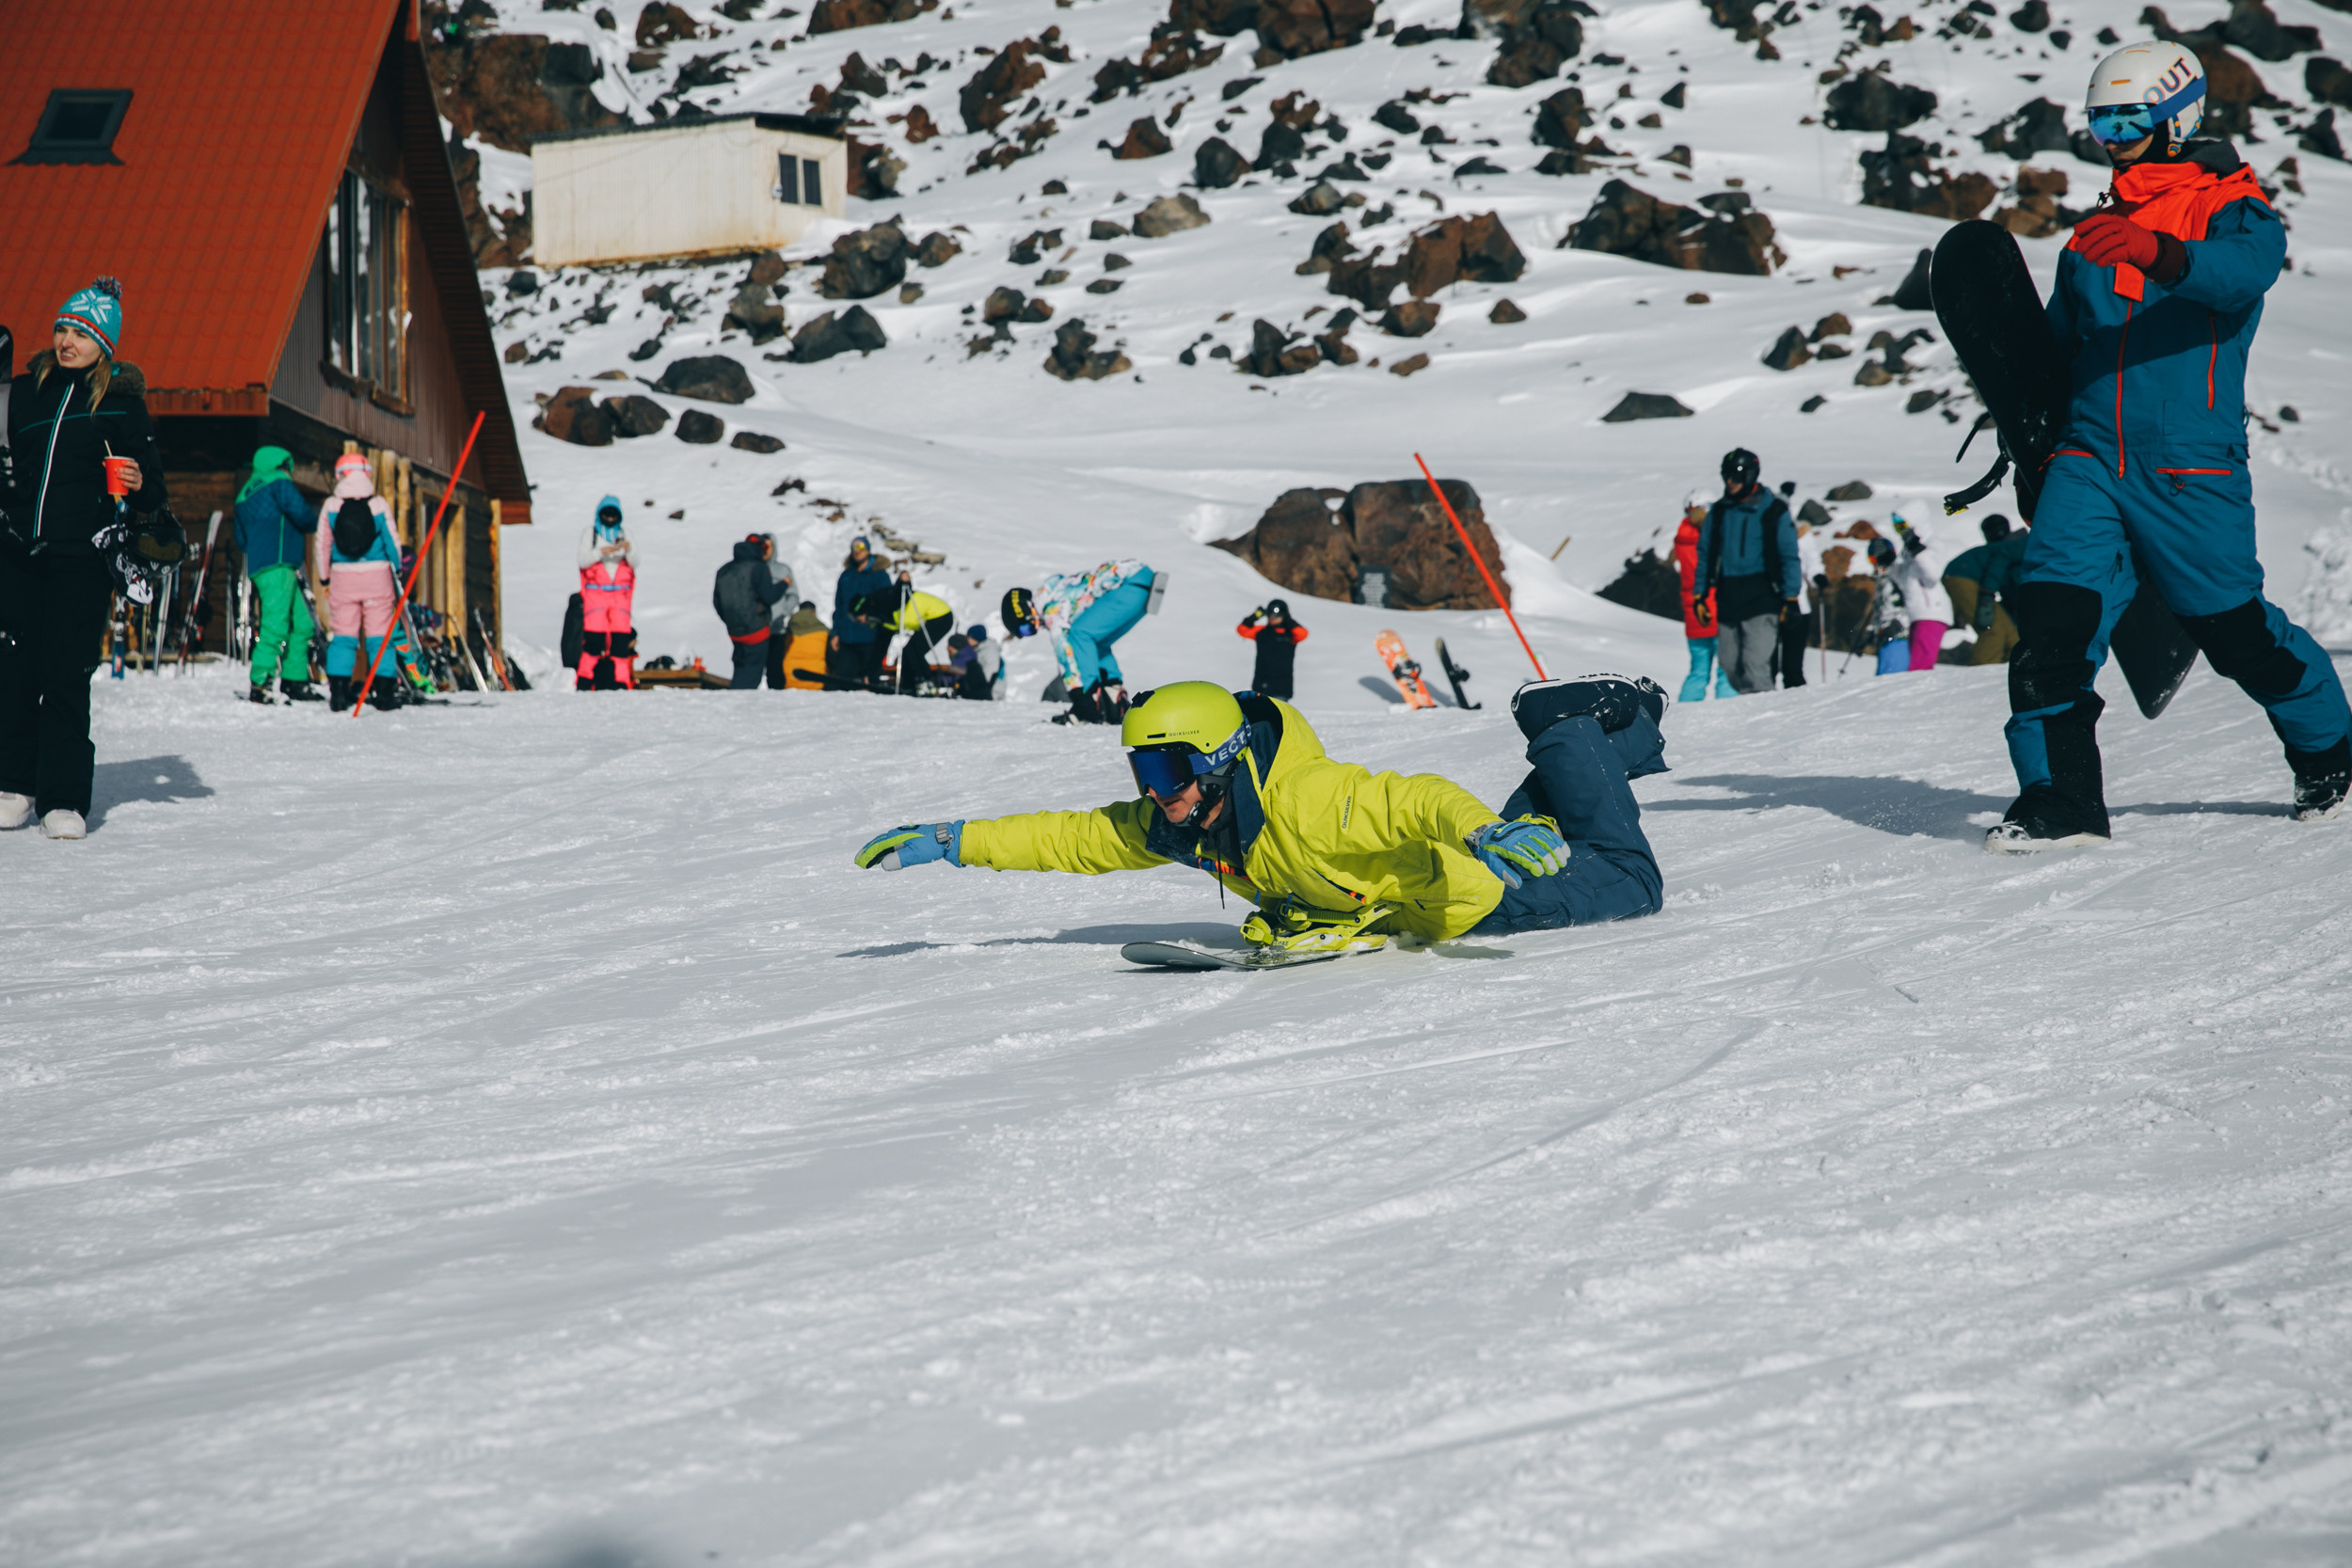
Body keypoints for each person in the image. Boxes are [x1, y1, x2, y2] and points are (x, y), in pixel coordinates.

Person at [1992, 40, 2351, 847]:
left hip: (2189, 466)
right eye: (2099, 121)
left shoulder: (2234, 208)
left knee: (2238, 635)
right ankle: (2062, 805)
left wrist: (2158, 251)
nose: (2111, 135)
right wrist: (2026, 433)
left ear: (2177, 116)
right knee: (2052, 629)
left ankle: (2332, 752)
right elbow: (2061, 350)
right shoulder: (2092, 233)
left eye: (2128, 118)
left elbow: (2242, 274)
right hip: (2088, 460)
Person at [851, 674, 1665, 951]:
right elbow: (1074, 836)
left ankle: (1569, 726)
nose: (1151, 788)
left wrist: (1483, 831)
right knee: (1553, 833)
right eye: (1140, 766)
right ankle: (1606, 746)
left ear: (1214, 760)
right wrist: (956, 841)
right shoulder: (1185, 823)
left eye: (1165, 766)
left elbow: (1409, 798)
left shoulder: (1308, 802)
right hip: (1429, 892)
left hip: (1479, 901)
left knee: (1630, 878)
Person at [0, 280, 168, 839]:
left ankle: (63, 799)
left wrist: (139, 483)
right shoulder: (25, 393)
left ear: (104, 343)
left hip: (83, 556)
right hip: (21, 551)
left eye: (80, 333)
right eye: (62, 329)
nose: (66, 341)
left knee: (67, 674)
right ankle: (15, 785)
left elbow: (151, 494)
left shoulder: (122, 405)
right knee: (15, 671)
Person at [1692, 449, 1801, 695]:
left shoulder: (1774, 511)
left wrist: (1790, 597)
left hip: (1763, 597)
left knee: (1755, 666)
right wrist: (1699, 595)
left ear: (1751, 476)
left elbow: (1789, 556)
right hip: (1728, 598)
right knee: (1730, 665)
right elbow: (1706, 553)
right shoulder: (1719, 512)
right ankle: (1751, 715)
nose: (1730, 482)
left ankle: (1764, 723)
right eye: (1726, 476)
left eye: (1737, 476)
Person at [1002, 558, 1157, 722]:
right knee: (1097, 641)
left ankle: (1091, 698)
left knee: (1079, 634)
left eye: (1026, 628)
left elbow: (1065, 652)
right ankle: (1113, 697)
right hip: (1142, 581)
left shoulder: (1050, 608)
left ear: (1026, 608)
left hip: (1128, 582)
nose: (1033, 631)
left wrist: (1079, 696)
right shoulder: (1057, 592)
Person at [231, 446, 322, 703]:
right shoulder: (279, 482)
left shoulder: (244, 494)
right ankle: (260, 682)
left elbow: (241, 539)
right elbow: (303, 515)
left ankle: (294, 680)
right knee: (276, 625)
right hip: (280, 564)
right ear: (282, 464)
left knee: (302, 622)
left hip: (263, 566)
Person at [1670, 490, 1734, 701]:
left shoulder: (1682, 539)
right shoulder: (1716, 535)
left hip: (1693, 612)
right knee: (1726, 668)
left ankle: (1687, 708)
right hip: (1719, 607)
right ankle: (1729, 709)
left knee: (1698, 670)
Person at [1943, 515, 2026, 666]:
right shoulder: (2024, 545)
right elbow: (2000, 562)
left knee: (2012, 637)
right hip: (1962, 575)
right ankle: (1980, 677)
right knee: (1992, 631)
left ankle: (2009, 674)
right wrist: (1988, 593)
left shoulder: (2019, 545)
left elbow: (2011, 592)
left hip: (1972, 579)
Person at [577, 496, 637, 690]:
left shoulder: (625, 533)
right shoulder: (591, 534)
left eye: (614, 515)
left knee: (620, 644)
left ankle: (621, 683)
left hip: (621, 598)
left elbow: (636, 562)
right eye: (606, 514)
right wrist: (601, 552)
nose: (610, 519)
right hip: (596, 598)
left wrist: (628, 550)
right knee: (593, 643)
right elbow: (582, 561)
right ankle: (585, 683)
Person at [714, 533, 788, 689]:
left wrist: (731, 622)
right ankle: (740, 708)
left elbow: (717, 602)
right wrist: (783, 584)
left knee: (741, 669)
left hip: (735, 632)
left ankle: (736, 699)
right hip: (757, 630)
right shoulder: (758, 568)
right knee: (751, 677)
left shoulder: (725, 570)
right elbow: (769, 596)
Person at [1884, 515, 1950, 672]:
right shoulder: (1907, 552)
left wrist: (1917, 549)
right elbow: (1904, 583)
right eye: (1897, 527)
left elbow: (1933, 575)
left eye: (1903, 525)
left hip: (1932, 611)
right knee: (1915, 663)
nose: (1901, 531)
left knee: (1920, 665)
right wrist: (1890, 563)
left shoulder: (1932, 543)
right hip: (1917, 612)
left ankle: (1920, 694)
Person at [830, 534, 891, 689]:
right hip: (846, 638)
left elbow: (886, 603)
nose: (857, 551)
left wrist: (871, 617)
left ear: (868, 550)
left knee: (870, 683)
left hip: (870, 637)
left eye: (861, 547)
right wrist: (836, 632)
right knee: (844, 682)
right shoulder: (846, 576)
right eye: (853, 548)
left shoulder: (880, 575)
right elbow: (839, 606)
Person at [883, 571, 956, 694]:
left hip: (941, 616)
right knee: (909, 650)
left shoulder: (892, 608)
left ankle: (924, 681)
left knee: (913, 649)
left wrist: (903, 582)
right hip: (936, 616)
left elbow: (902, 591)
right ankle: (911, 682)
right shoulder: (889, 612)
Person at [1235, 598, 1310, 700]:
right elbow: (1242, 630)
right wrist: (1255, 616)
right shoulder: (1261, 632)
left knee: (1276, 715)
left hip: (1281, 688)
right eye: (1270, 614)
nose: (1272, 618)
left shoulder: (1290, 634)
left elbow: (1303, 633)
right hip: (1260, 685)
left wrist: (1288, 620)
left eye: (1277, 615)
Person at [1859, 537, 1912, 675]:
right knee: (1883, 680)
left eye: (1873, 559)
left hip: (1900, 637)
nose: (1873, 564)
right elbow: (1881, 609)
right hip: (1887, 639)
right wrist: (1872, 632)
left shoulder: (1898, 574)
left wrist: (1898, 624)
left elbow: (1910, 601)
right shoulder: (1882, 579)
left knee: (1890, 682)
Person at [782, 600, 829, 689]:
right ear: (814, 613)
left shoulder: (788, 633)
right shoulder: (824, 632)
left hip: (790, 683)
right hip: (817, 683)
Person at [956, 623, 1004, 701]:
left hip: (992, 692)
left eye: (969, 637)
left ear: (975, 638)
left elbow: (990, 673)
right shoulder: (979, 649)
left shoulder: (990, 651)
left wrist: (980, 689)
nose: (966, 639)